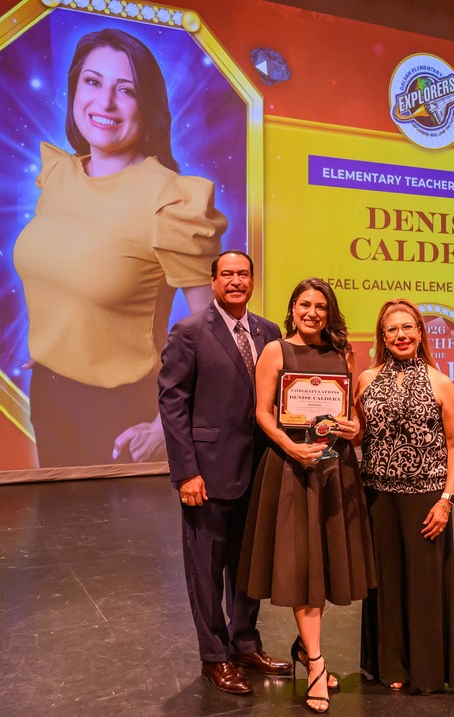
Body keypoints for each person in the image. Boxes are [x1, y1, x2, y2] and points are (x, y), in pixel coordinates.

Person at [13, 28, 224, 468]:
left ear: (147, 104)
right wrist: (59, 348)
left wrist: (167, 425)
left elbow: (215, 332)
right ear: (75, 90)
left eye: (125, 90)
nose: (105, 102)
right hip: (49, 395)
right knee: (57, 515)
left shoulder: (170, 198)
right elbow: (62, 266)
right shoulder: (58, 175)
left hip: (125, 415)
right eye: (92, 82)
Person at [237, 278, 376, 713]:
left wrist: (354, 426)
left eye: (320, 306)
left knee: (325, 562)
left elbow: (352, 415)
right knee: (301, 565)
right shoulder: (275, 350)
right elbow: (262, 412)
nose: (312, 312)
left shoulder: (343, 353)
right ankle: (315, 662)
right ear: (293, 309)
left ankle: (304, 647)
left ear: (329, 312)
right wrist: (291, 446)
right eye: (304, 304)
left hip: (335, 469)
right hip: (291, 469)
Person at [157, 250, 291, 695]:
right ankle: (214, 656)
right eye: (227, 274)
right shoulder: (190, 331)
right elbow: (172, 404)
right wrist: (186, 472)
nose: (236, 281)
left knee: (248, 566)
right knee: (206, 569)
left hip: (260, 470)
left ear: (252, 280)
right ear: (213, 281)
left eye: (243, 274)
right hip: (208, 475)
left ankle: (245, 643)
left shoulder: (269, 332)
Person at [355, 299, 454, 694]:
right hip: (377, 498)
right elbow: (358, 434)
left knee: (423, 584)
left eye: (407, 327)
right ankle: (391, 665)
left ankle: (426, 669)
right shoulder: (366, 380)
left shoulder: (440, 382)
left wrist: (446, 501)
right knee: (384, 583)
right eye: (392, 329)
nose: (400, 335)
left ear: (420, 333)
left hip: (426, 499)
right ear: (382, 337)